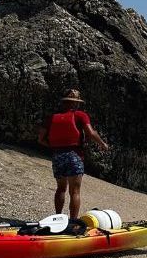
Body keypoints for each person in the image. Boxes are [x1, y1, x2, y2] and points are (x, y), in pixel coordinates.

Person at [38, 90, 109, 218]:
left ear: (64, 102)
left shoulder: (52, 117)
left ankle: (58, 217)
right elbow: (91, 133)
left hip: (57, 155)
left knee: (61, 188)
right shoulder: (80, 115)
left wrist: (54, 146)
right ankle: (73, 221)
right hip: (74, 155)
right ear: (76, 104)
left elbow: (40, 139)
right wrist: (102, 144)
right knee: (74, 192)